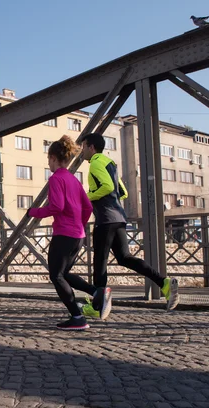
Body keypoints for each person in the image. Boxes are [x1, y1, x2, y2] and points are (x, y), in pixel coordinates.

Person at [79, 133, 180, 319]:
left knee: (100, 263)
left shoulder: (95, 163)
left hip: (106, 220)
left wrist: (87, 196)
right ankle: (163, 282)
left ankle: (98, 305)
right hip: (119, 218)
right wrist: (108, 198)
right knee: (124, 257)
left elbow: (108, 187)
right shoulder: (109, 162)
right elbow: (122, 191)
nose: (82, 151)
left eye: (83, 146)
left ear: (91, 147)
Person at [27, 135, 94, 330]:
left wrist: (34, 212)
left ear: (54, 158)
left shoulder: (56, 178)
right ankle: (96, 292)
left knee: (56, 276)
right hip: (78, 235)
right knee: (63, 273)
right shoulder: (73, 179)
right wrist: (78, 225)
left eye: (49, 159)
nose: (48, 162)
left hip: (64, 234)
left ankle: (77, 317)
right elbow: (88, 207)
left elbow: (56, 206)